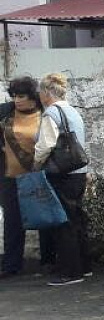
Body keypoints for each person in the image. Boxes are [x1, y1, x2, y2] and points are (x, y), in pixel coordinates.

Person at [32, 73, 91, 286]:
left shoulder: (51, 114)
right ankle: (84, 267)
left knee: (63, 222)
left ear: (46, 94)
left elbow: (45, 145)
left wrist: (35, 166)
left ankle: (70, 272)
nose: (39, 96)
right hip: (78, 172)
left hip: (61, 174)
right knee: (76, 220)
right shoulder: (72, 112)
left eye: (40, 92)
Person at [1, 76, 57, 277]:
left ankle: (48, 261)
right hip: (9, 177)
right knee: (12, 222)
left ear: (33, 97)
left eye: (21, 96)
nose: (17, 100)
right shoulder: (5, 112)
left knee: (45, 219)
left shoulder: (45, 113)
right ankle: (11, 265)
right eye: (14, 95)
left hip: (38, 175)